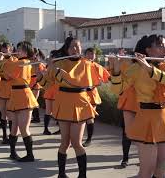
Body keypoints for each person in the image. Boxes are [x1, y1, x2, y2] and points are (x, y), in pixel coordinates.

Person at [109, 34, 165, 178]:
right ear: (148, 50)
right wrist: (116, 70)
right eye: (160, 45)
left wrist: (149, 68)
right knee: (147, 169)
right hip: (146, 117)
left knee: (161, 165)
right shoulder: (136, 69)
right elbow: (118, 90)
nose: (164, 48)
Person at [38, 37, 106, 178]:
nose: (75, 49)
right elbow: (49, 84)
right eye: (72, 47)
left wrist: (54, 68)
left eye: (78, 46)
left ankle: (82, 175)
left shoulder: (87, 64)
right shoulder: (60, 63)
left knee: (76, 142)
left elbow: (77, 81)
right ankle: (61, 174)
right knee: (64, 142)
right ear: (67, 49)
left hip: (80, 103)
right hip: (63, 103)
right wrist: (42, 73)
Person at [4, 41, 39, 162]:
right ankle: (12, 153)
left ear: (27, 51)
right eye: (17, 48)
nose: (18, 51)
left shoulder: (23, 62)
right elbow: (6, 74)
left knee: (24, 128)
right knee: (14, 127)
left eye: (21, 49)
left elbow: (9, 74)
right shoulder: (18, 62)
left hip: (24, 95)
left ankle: (30, 155)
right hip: (15, 94)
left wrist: (5, 58)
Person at [115, 48, 138, 168]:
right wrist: (118, 60)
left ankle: (143, 157)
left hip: (143, 101)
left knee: (144, 132)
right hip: (128, 100)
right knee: (127, 132)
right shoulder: (126, 63)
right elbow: (115, 74)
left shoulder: (147, 66)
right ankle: (125, 158)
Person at [83, 48, 110, 147]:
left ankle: (89, 139)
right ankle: (77, 138)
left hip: (92, 93)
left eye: (93, 54)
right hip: (79, 93)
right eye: (89, 53)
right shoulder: (80, 64)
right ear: (85, 55)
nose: (91, 56)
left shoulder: (98, 67)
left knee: (89, 117)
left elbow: (108, 79)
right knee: (80, 118)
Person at [0, 42, 17, 144]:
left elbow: (12, 74)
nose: (4, 51)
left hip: (11, 87)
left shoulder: (15, 60)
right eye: (3, 49)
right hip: (2, 86)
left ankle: (11, 135)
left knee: (10, 113)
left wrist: (2, 69)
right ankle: (4, 135)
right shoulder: (1, 60)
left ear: (11, 50)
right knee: (2, 112)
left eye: (7, 49)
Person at [30, 48, 46, 123]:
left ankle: (36, 117)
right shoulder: (29, 61)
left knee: (34, 101)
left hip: (36, 83)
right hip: (30, 83)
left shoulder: (38, 63)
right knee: (32, 101)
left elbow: (41, 73)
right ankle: (35, 117)